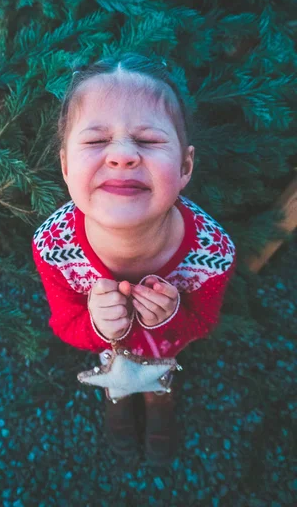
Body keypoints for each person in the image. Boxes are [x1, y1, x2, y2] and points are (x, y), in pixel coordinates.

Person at [32, 53, 237, 465]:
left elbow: (203, 323)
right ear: (66, 166)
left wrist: (172, 315)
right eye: (95, 141)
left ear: (185, 166)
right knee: (117, 387)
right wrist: (96, 324)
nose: (123, 155)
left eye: (147, 139)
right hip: (109, 355)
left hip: (164, 354)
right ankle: (119, 413)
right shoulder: (53, 246)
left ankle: (160, 414)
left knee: (159, 388)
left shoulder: (212, 254)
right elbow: (65, 324)